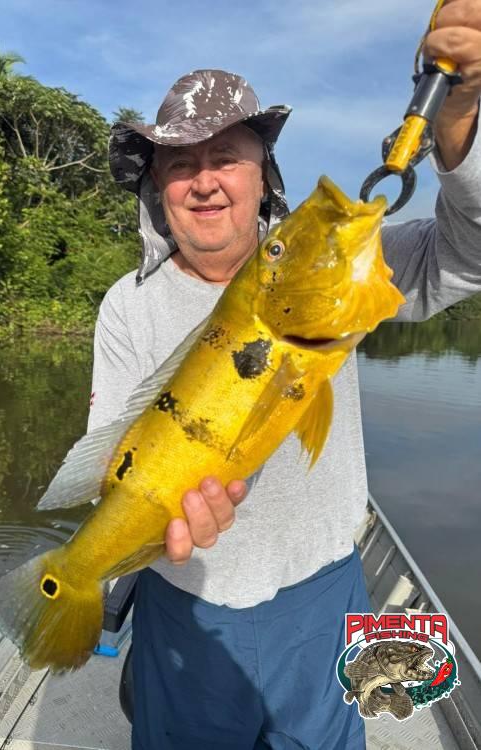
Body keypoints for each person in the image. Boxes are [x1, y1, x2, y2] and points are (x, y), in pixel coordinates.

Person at [89, 8, 481, 748]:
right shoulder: (127, 306)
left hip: (321, 593)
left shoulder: (332, 269)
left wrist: (456, 119)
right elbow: (110, 458)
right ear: (157, 187)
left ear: (262, 175)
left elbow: (470, 252)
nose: (204, 182)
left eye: (226, 157)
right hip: (182, 595)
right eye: (180, 164)